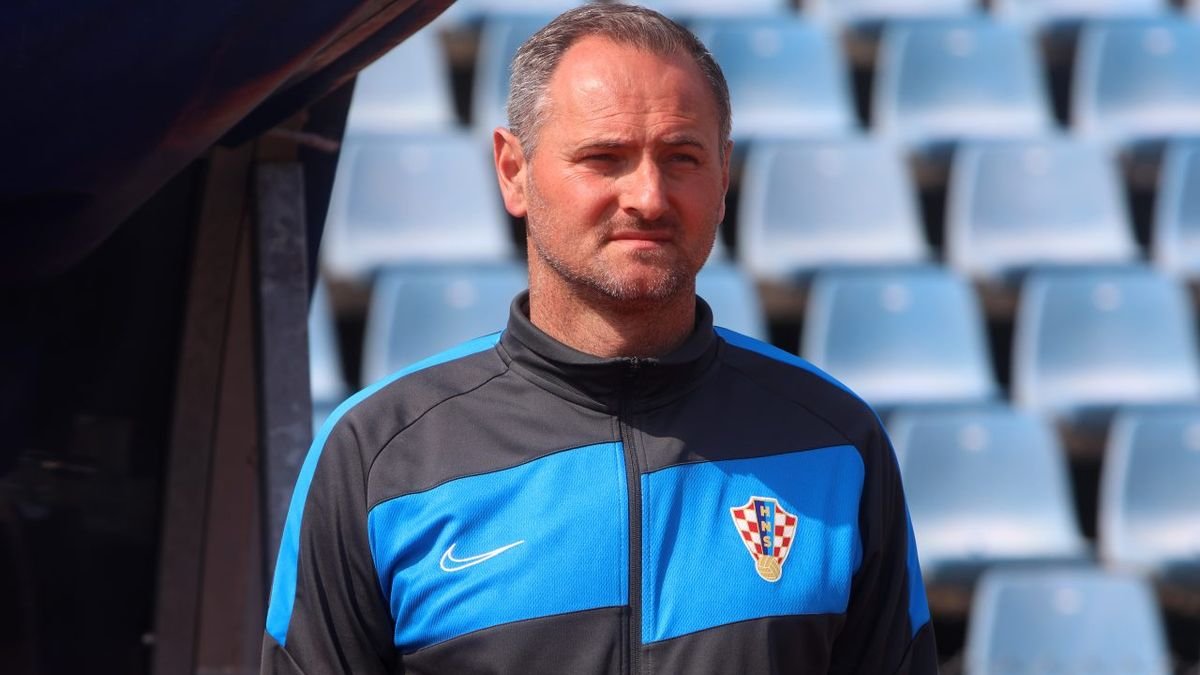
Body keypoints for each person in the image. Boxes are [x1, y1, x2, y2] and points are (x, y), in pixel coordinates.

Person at [261, 4, 938, 673]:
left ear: (724, 176)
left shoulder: (835, 443)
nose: (649, 196)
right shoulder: (381, 458)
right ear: (514, 171)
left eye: (682, 157)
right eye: (605, 158)